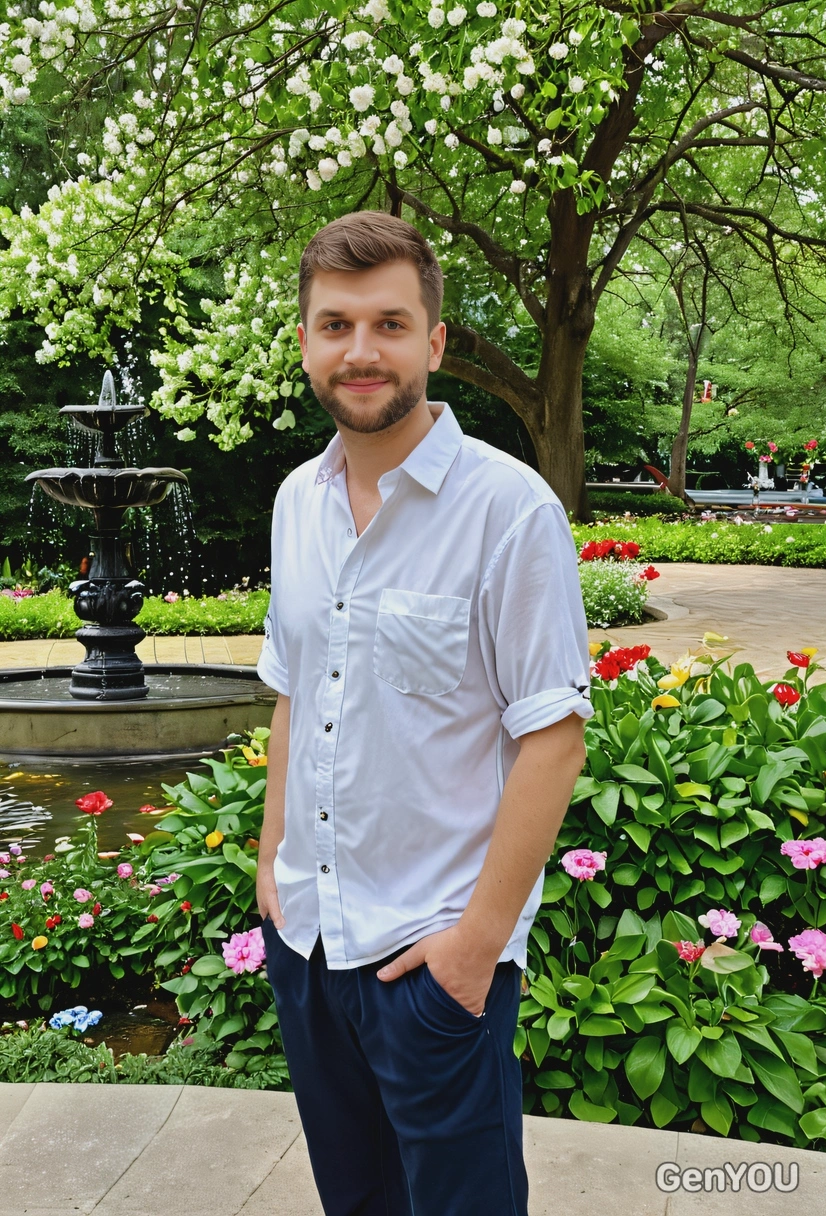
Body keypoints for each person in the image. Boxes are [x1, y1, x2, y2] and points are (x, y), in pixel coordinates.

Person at [256, 211, 592, 1216]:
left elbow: (552, 736)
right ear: (308, 341)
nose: (361, 351)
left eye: (390, 324)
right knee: (355, 1203)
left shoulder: (509, 509)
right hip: (309, 943)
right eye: (334, 324)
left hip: (432, 955)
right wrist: (271, 861)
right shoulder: (293, 502)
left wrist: (476, 942)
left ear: (434, 344)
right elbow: (292, 689)